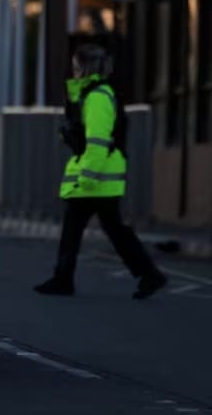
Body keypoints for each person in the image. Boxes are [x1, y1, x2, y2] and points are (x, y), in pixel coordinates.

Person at [33, 43, 167, 300]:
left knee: (80, 227)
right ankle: (149, 274)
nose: (73, 72)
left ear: (85, 69)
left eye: (76, 67)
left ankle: (64, 279)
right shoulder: (95, 95)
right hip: (101, 175)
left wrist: (87, 176)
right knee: (112, 230)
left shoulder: (96, 97)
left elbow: (98, 140)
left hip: (97, 177)